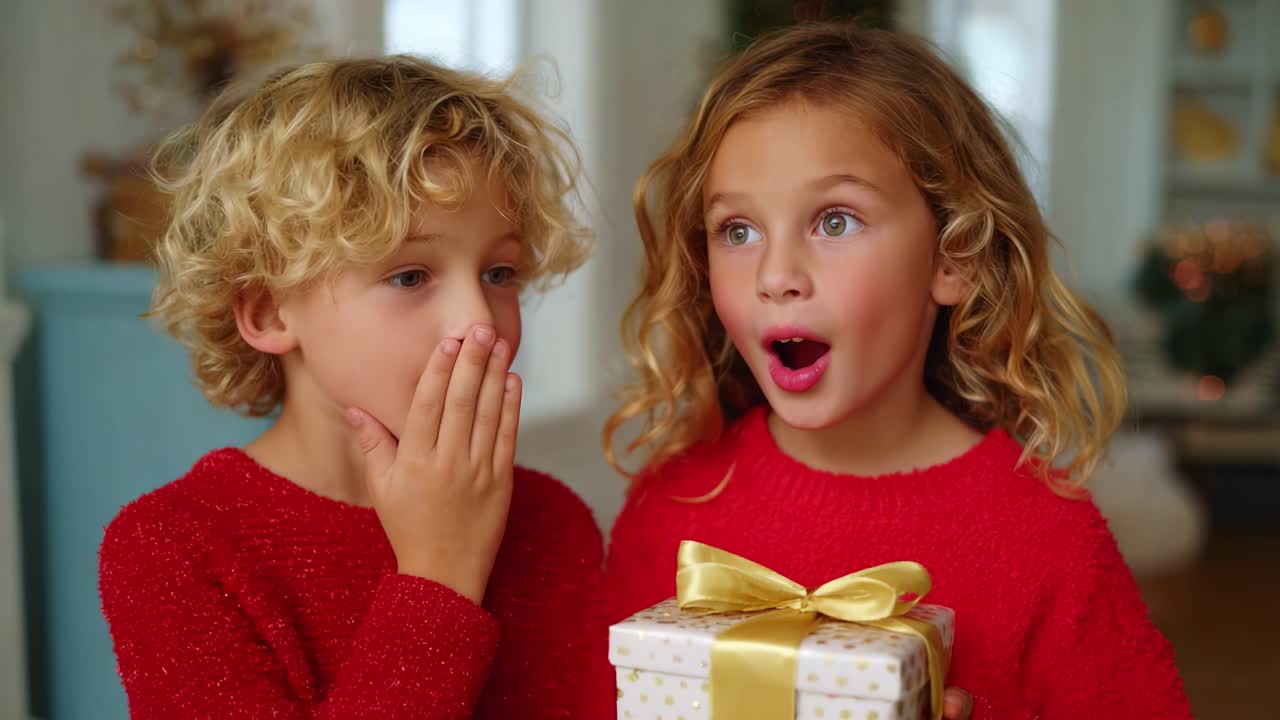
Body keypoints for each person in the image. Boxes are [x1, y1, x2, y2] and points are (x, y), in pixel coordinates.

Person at [602, 22, 1192, 719]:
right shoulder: (673, 505)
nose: (777, 275)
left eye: (835, 221)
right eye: (738, 230)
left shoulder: (1048, 540)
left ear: (953, 257)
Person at [99, 55, 605, 719]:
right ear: (270, 313)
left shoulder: (554, 523)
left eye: (499, 273)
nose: (479, 323)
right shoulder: (173, 549)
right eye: (410, 277)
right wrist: (439, 571)